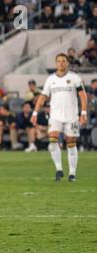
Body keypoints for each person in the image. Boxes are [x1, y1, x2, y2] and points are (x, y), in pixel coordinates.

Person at [31, 53, 88, 182]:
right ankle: (59, 169)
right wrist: (35, 113)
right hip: (55, 116)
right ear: (56, 63)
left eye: (63, 61)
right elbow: (43, 97)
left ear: (67, 63)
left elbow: (83, 96)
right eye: (58, 61)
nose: (61, 63)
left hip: (71, 116)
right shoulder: (51, 79)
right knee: (52, 141)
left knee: (71, 142)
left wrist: (83, 113)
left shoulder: (75, 78)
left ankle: (72, 173)